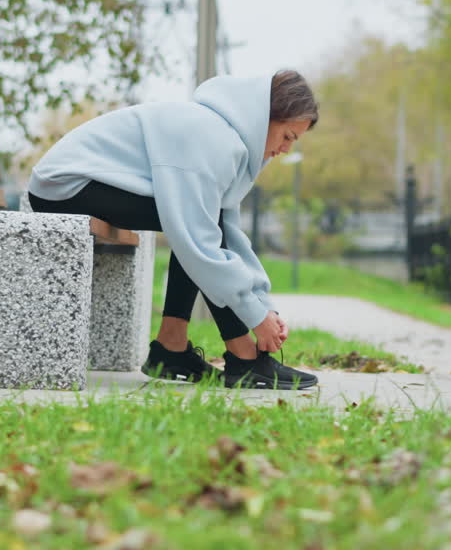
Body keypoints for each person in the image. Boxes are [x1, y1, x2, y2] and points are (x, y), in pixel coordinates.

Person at [27, 70, 319, 389]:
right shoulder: (211, 138)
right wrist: (254, 316)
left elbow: (229, 235)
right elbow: (200, 240)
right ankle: (243, 357)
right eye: (287, 136)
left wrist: (263, 307)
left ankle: (172, 345)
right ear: (265, 118)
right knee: (195, 226)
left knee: (199, 223)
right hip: (65, 186)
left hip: (84, 184)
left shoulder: (228, 143)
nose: (286, 149)